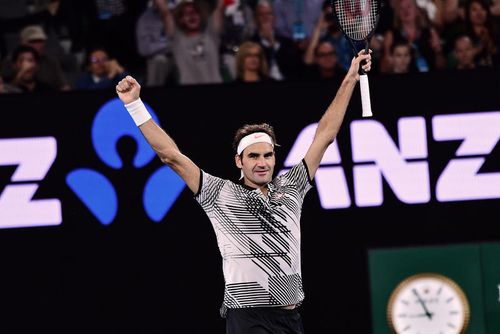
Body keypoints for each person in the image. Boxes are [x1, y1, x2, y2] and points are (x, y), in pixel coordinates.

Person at [116, 49, 372, 332]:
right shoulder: (218, 193)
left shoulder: (293, 187)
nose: (262, 163)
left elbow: (325, 135)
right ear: (239, 161)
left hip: (291, 318)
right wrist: (135, 106)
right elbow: (171, 156)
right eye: (253, 156)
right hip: (248, 319)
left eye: (267, 155)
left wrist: (351, 76)